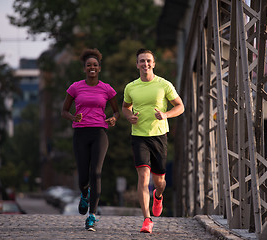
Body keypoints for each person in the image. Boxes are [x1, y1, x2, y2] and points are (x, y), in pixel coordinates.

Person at [122, 48, 184, 233]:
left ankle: (158, 196)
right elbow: (126, 107)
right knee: (143, 178)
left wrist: (165, 114)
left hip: (158, 136)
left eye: (148, 61)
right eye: (142, 61)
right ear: (137, 64)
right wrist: (129, 117)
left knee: (159, 182)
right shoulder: (131, 87)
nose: (145, 64)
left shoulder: (164, 84)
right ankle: (147, 219)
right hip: (139, 136)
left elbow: (180, 106)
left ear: (154, 64)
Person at [61, 48, 120, 231]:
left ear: (99, 68)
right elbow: (64, 111)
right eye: (89, 65)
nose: (92, 68)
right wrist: (73, 118)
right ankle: (84, 194)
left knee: (96, 173)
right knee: (83, 177)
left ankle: (92, 216)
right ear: (84, 68)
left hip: (99, 133)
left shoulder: (107, 88)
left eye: (95, 65)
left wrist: (114, 118)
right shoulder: (75, 87)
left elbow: (116, 111)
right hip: (80, 133)